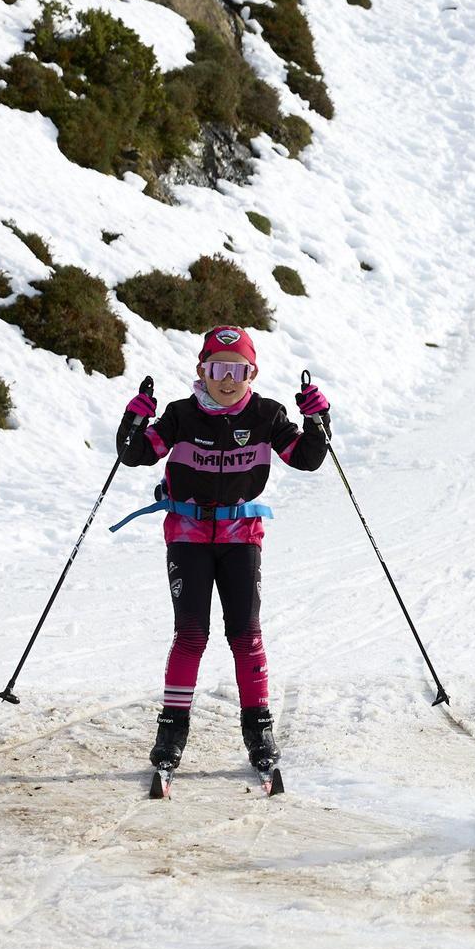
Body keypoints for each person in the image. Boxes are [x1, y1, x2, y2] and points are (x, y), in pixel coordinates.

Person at [116, 325, 331, 777]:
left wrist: (317, 420)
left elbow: (308, 458)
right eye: (217, 368)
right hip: (188, 536)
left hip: (240, 538)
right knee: (191, 635)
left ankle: (259, 730)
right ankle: (171, 733)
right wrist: (134, 418)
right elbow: (135, 454)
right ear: (202, 370)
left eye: (238, 370)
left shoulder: (267, 415)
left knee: (245, 634)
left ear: (252, 373)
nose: (227, 379)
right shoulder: (180, 415)